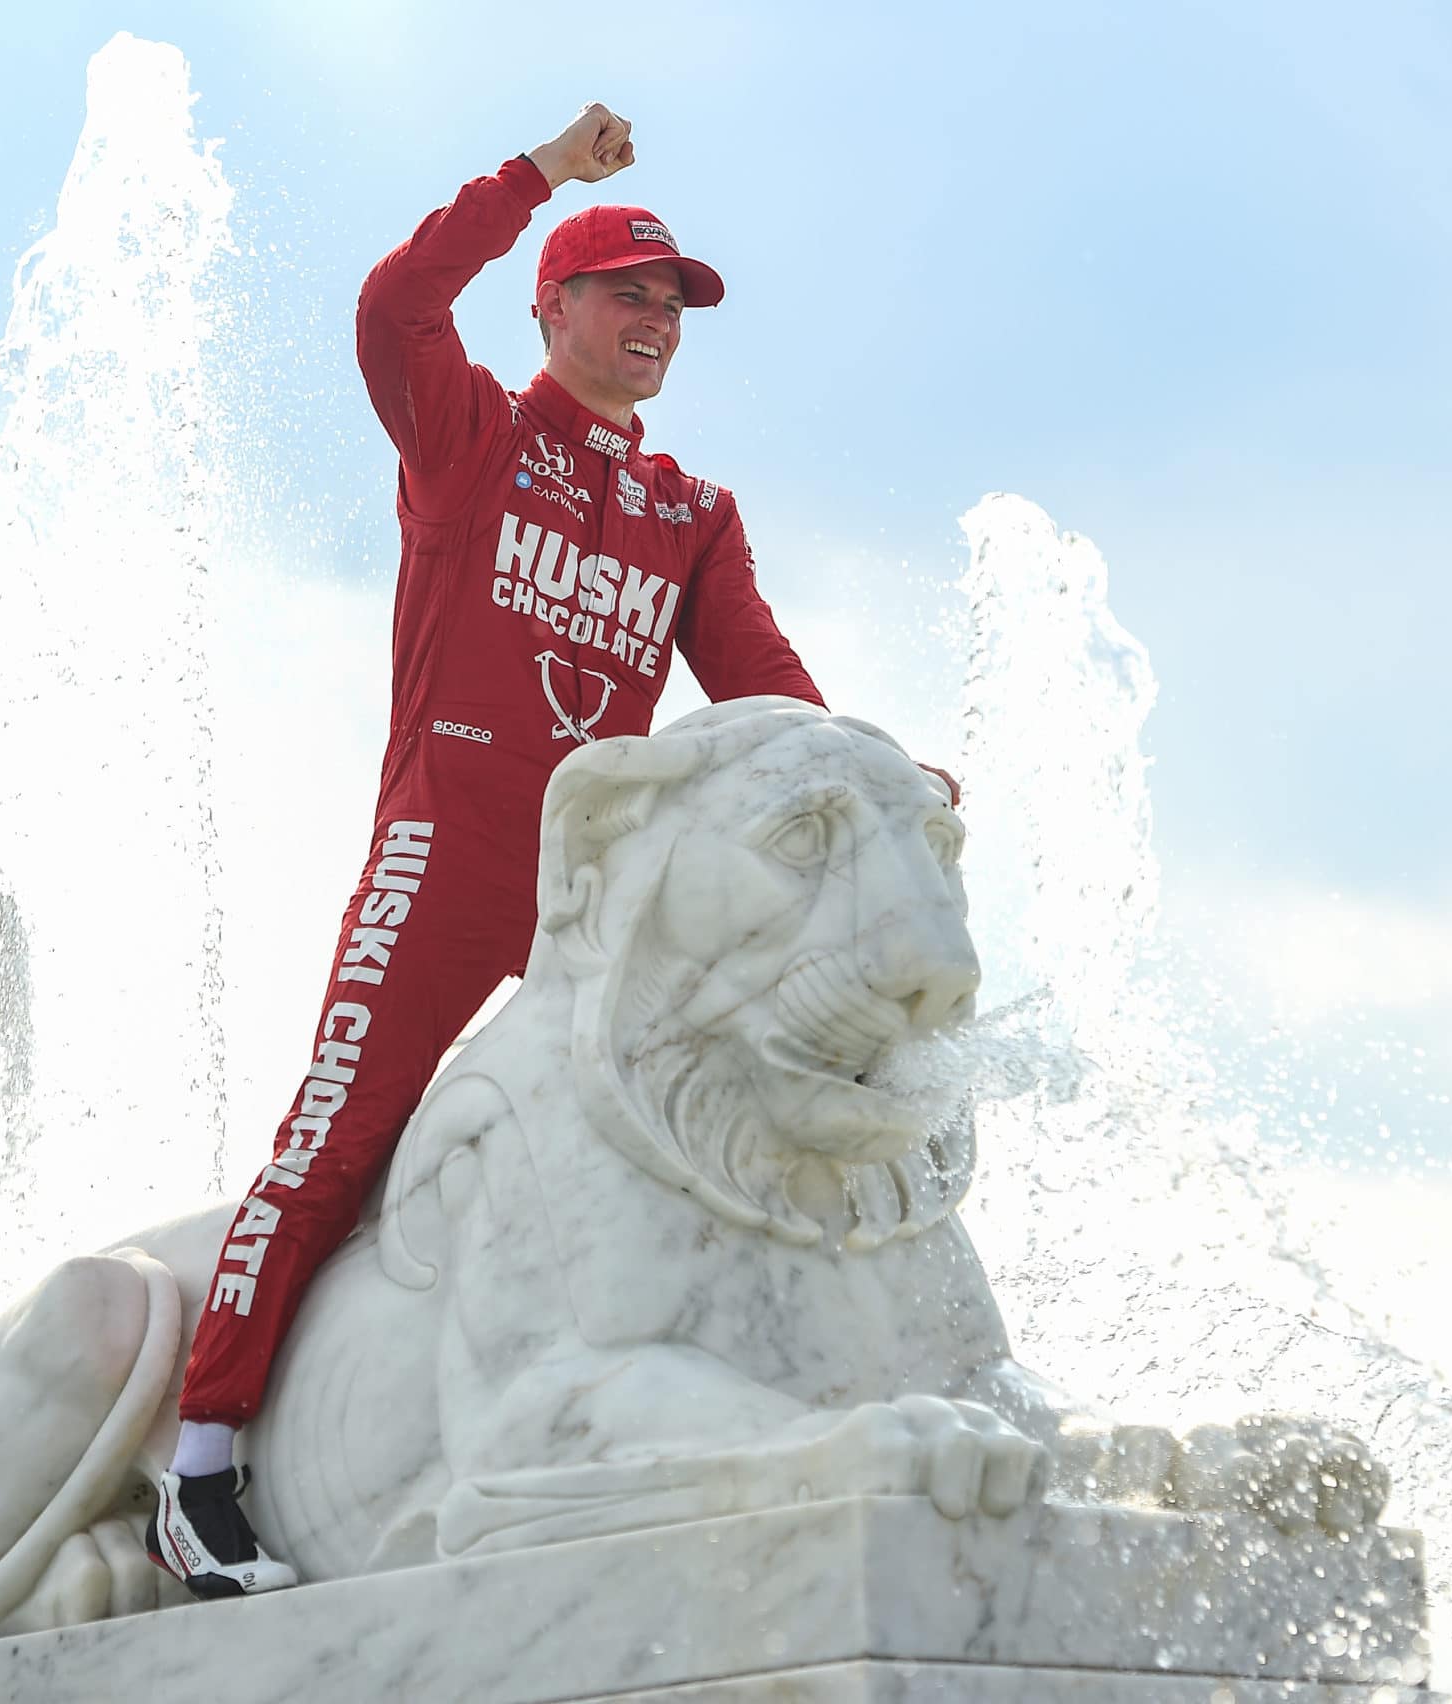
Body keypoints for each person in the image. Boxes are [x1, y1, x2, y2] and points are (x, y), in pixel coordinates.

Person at [151, 102, 907, 1597]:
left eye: (674, 301)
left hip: (595, 906)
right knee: (341, 1134)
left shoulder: (693, 513)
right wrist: (543, 174)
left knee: (670, 1131)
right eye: (627, 292)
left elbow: (760, 687)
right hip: (449, 857)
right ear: (551, 306)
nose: (656, 321)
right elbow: (389, 307)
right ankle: (200, 1468)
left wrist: (872, 774)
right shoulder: (473, 433)